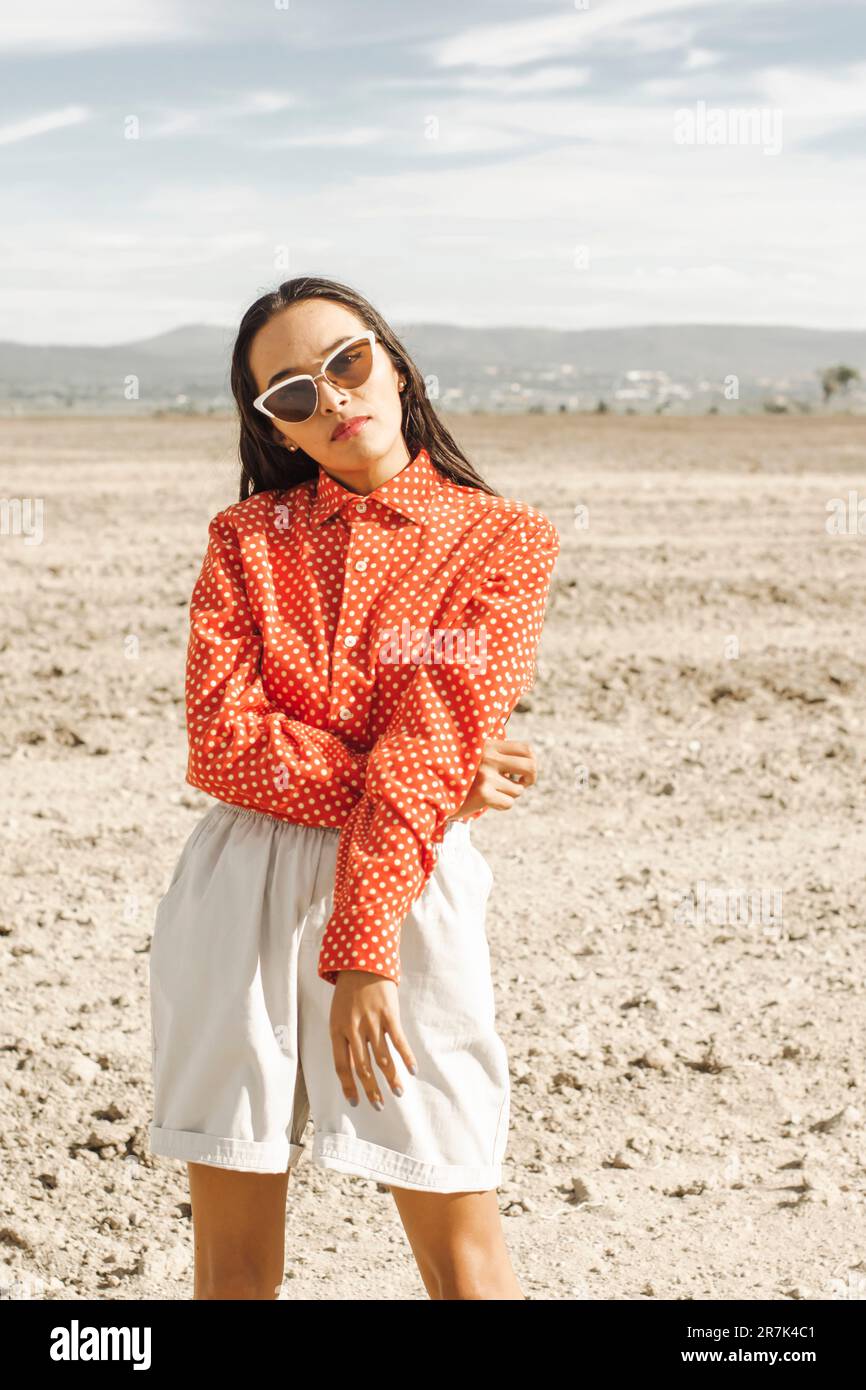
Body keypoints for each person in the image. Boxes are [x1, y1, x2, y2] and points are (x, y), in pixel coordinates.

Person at [148, 275, 561, 1300]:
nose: (330, 397)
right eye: (290, 393)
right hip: (234, 886)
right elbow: (221, 744)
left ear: (396, 361)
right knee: (231, 1264)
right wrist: (418, 773)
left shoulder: (501, 541)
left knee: (456, 1225)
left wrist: (363, 951)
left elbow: (429, 745)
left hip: (409, 890)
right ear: (275, 428)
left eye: (346, 361)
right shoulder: (244, 541)